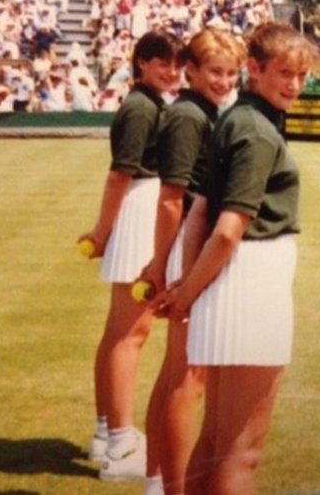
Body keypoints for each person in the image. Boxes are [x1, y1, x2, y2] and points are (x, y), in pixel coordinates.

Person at [151, 21, 320, 494]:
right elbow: (225, 230)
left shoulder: (238, 117)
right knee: (241, 451)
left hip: (230, 285)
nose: (294, 85)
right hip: (249, 282)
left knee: (217, 443)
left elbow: (201, 212)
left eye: (302, 75)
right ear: (255, 69)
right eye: (284, 72)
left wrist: (188, 287)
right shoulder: (256, 130)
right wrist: (186, 292)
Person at [138, 28, 246, 495]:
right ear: (192, 71)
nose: (224, 81)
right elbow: (170, 199)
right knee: (188, 376)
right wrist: (162, 267)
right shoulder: (187, 116)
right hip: (188, 242)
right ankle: (171, 487)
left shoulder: (204, 110)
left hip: (195, 241)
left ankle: (157, 481)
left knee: (180, 372)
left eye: (231, 72)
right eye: (214, 72)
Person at [78, 29, 182, 481]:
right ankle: (121, 444)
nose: (171, 71)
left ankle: (106, 431)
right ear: (141, 63)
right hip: (140, 208)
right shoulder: (142, 107)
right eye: (162, 62)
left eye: (177, 64)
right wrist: (102, 231)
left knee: (118, 331)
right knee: (130, 335)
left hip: (141, 207)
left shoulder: (146, 103)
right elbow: (120, 175)